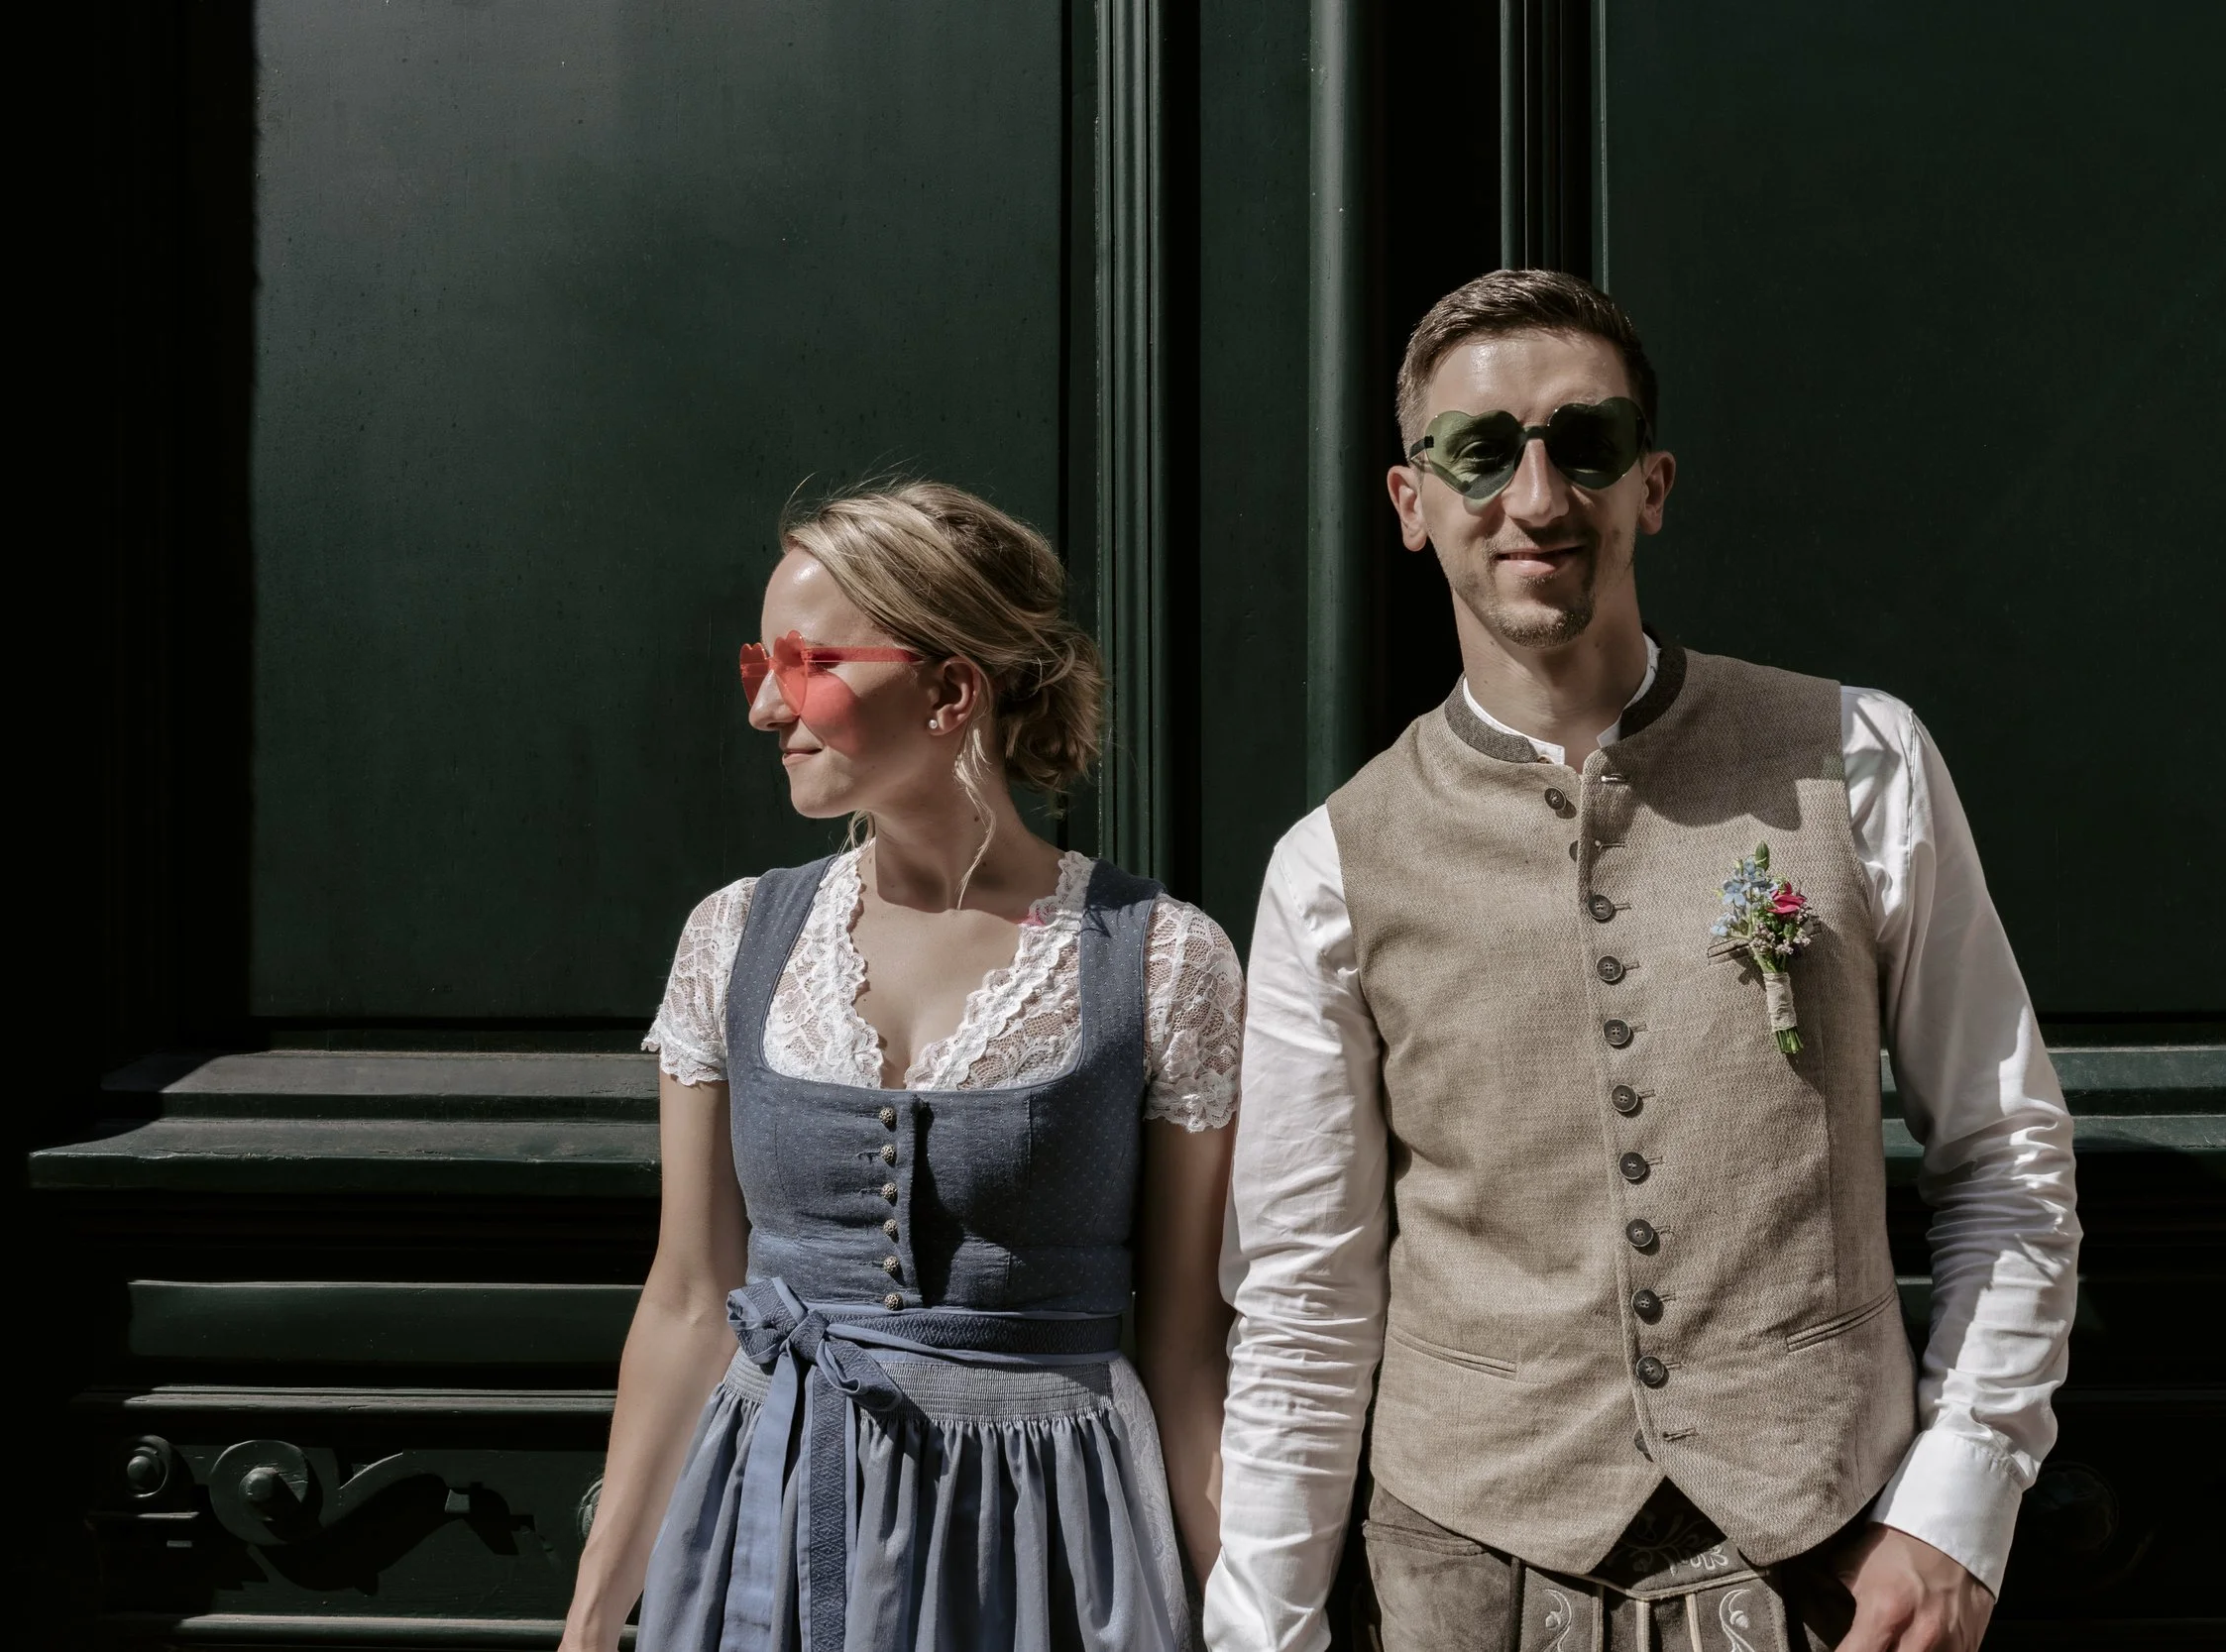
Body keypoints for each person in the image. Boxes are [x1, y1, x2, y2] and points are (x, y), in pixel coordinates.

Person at [1205, 272, 2081, 1652]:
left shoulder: (1858, 759)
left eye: (1586, 442)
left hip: (1826, 1568)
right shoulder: (1332, 862)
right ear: (1410, 501)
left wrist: (1959, 1505)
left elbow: (2003, 1153)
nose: (1536, 495)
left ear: (1650, 484)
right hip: (1462, 1583)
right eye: (1479, 451)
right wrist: (1266, 1631)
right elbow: (1305, 1300)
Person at [559, 482, 1242, 1652]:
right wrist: (587, 1623)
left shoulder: (1161, 957)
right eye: (759, 663)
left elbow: (1185, 1348)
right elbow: (687, 1297)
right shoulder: (735, 935)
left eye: (807, 662)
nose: (766, 705)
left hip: (1043, 1535)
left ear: (950, 690)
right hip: (774, 1503)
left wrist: (1249, 1614)